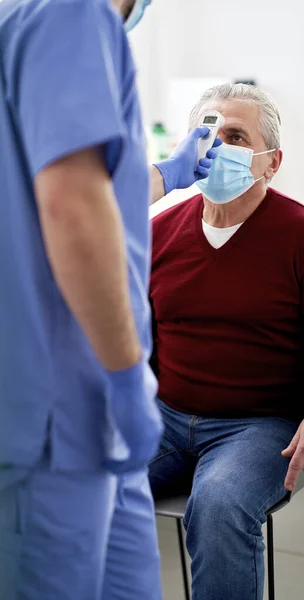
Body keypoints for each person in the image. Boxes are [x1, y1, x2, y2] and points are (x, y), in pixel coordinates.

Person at [0, 1, 220, 598]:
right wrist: (126, 374)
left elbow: (89, 188)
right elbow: (72, 207)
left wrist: (169, 174)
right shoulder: (71, 14)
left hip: (95, 423)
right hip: (59, 411)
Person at [148, 83, 304, 600]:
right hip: (165, 415)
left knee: (220, 504)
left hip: (260, 424)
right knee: (77, 480)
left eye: (235, 135)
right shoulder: (159, 232)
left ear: (272, 162)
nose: (216, 146)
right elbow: (138, 337)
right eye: (206, 133)